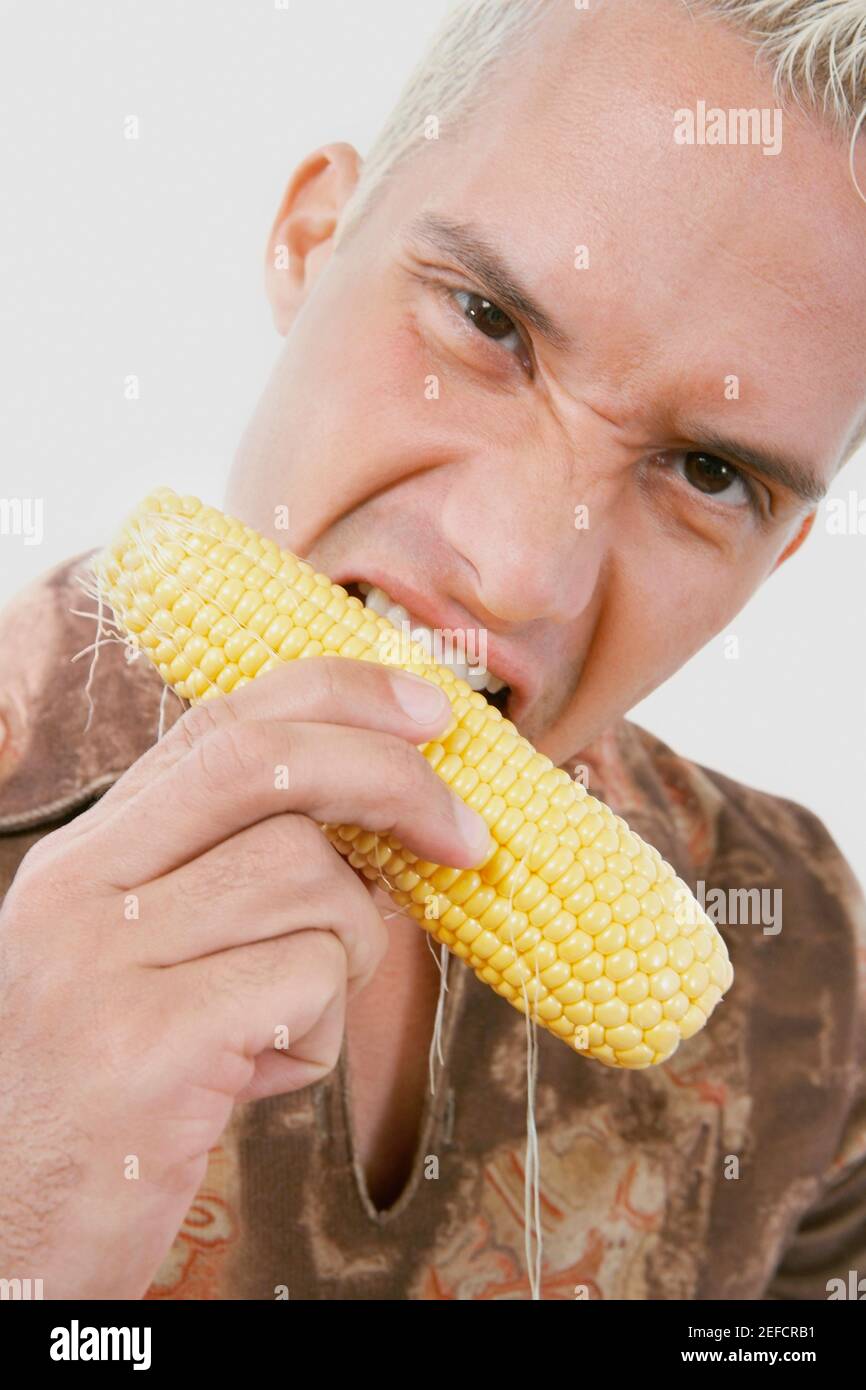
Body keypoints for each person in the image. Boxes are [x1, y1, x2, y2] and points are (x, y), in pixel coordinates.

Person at [1, 0, 864, 1301]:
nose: (516, 567)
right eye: (487, 320)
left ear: (778, 554)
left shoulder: (801, 960)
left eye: (707, 469)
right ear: (309, 238)